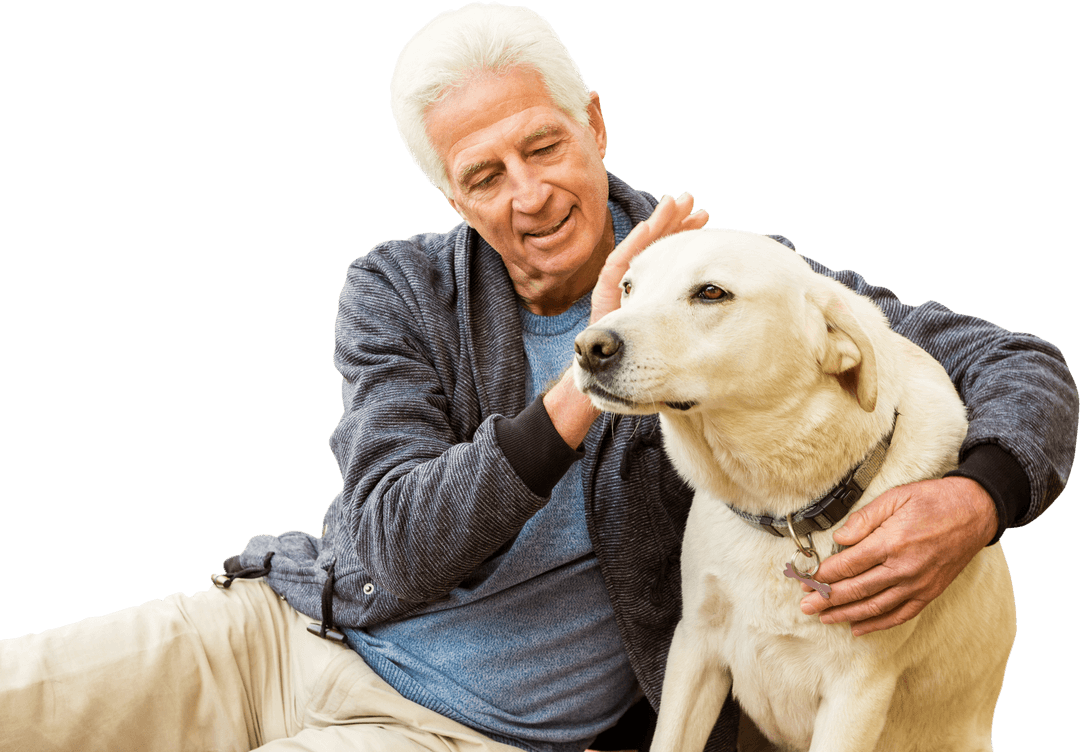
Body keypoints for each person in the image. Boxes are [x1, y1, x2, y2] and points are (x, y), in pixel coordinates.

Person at [1, 4, 1076, 752]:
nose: (528, 194)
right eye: (484, 175)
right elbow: (393, 544)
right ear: (453, 197)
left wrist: (975, 497)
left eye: (545, 146)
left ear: (594, 124)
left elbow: (1019, 362)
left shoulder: (735, 289)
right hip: (282, 632)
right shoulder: (400, 287)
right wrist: (583, 383)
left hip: (451, 730)